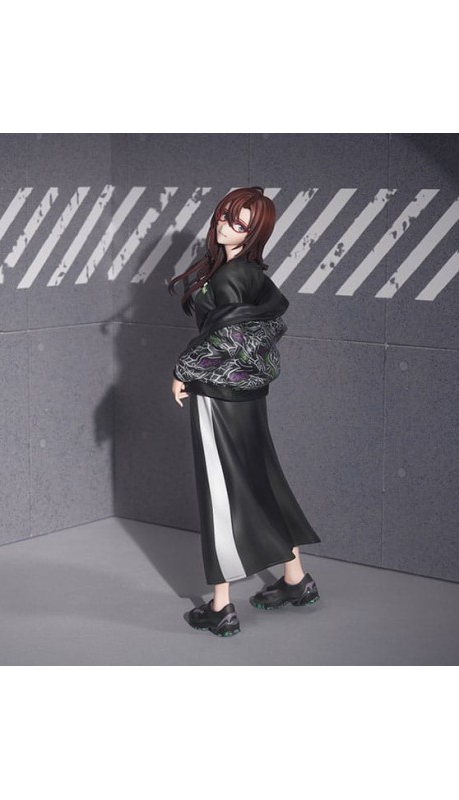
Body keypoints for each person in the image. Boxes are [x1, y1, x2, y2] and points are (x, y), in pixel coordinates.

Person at [168, 186, 321, 637]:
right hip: (249, 396)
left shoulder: (228, 276)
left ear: (255, 232)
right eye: (224, 215)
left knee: (220, 493)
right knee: (262, 481)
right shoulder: (252, 273)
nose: (225, 225)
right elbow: (259, 331)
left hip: (217, 396)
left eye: (239, 222)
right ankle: (296, 579)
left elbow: (227, 339)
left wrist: (182, 370)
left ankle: (221, 607)